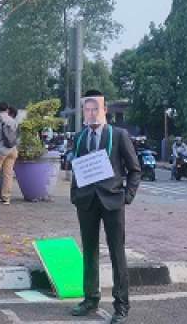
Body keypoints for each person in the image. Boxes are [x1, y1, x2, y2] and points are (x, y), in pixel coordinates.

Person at [70, 90, 141, 324]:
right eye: (87, 109)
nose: (91, 113)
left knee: (116, 253)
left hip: (112, 202)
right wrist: (75, 195)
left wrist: (126, 197)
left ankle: (121, 306)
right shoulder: (80, 137)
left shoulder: (118, 135)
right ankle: (90, 298)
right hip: (87, 202)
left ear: (104, 110)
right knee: (89, 252)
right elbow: (76, 168)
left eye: (95, 109)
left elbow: (134, 170)